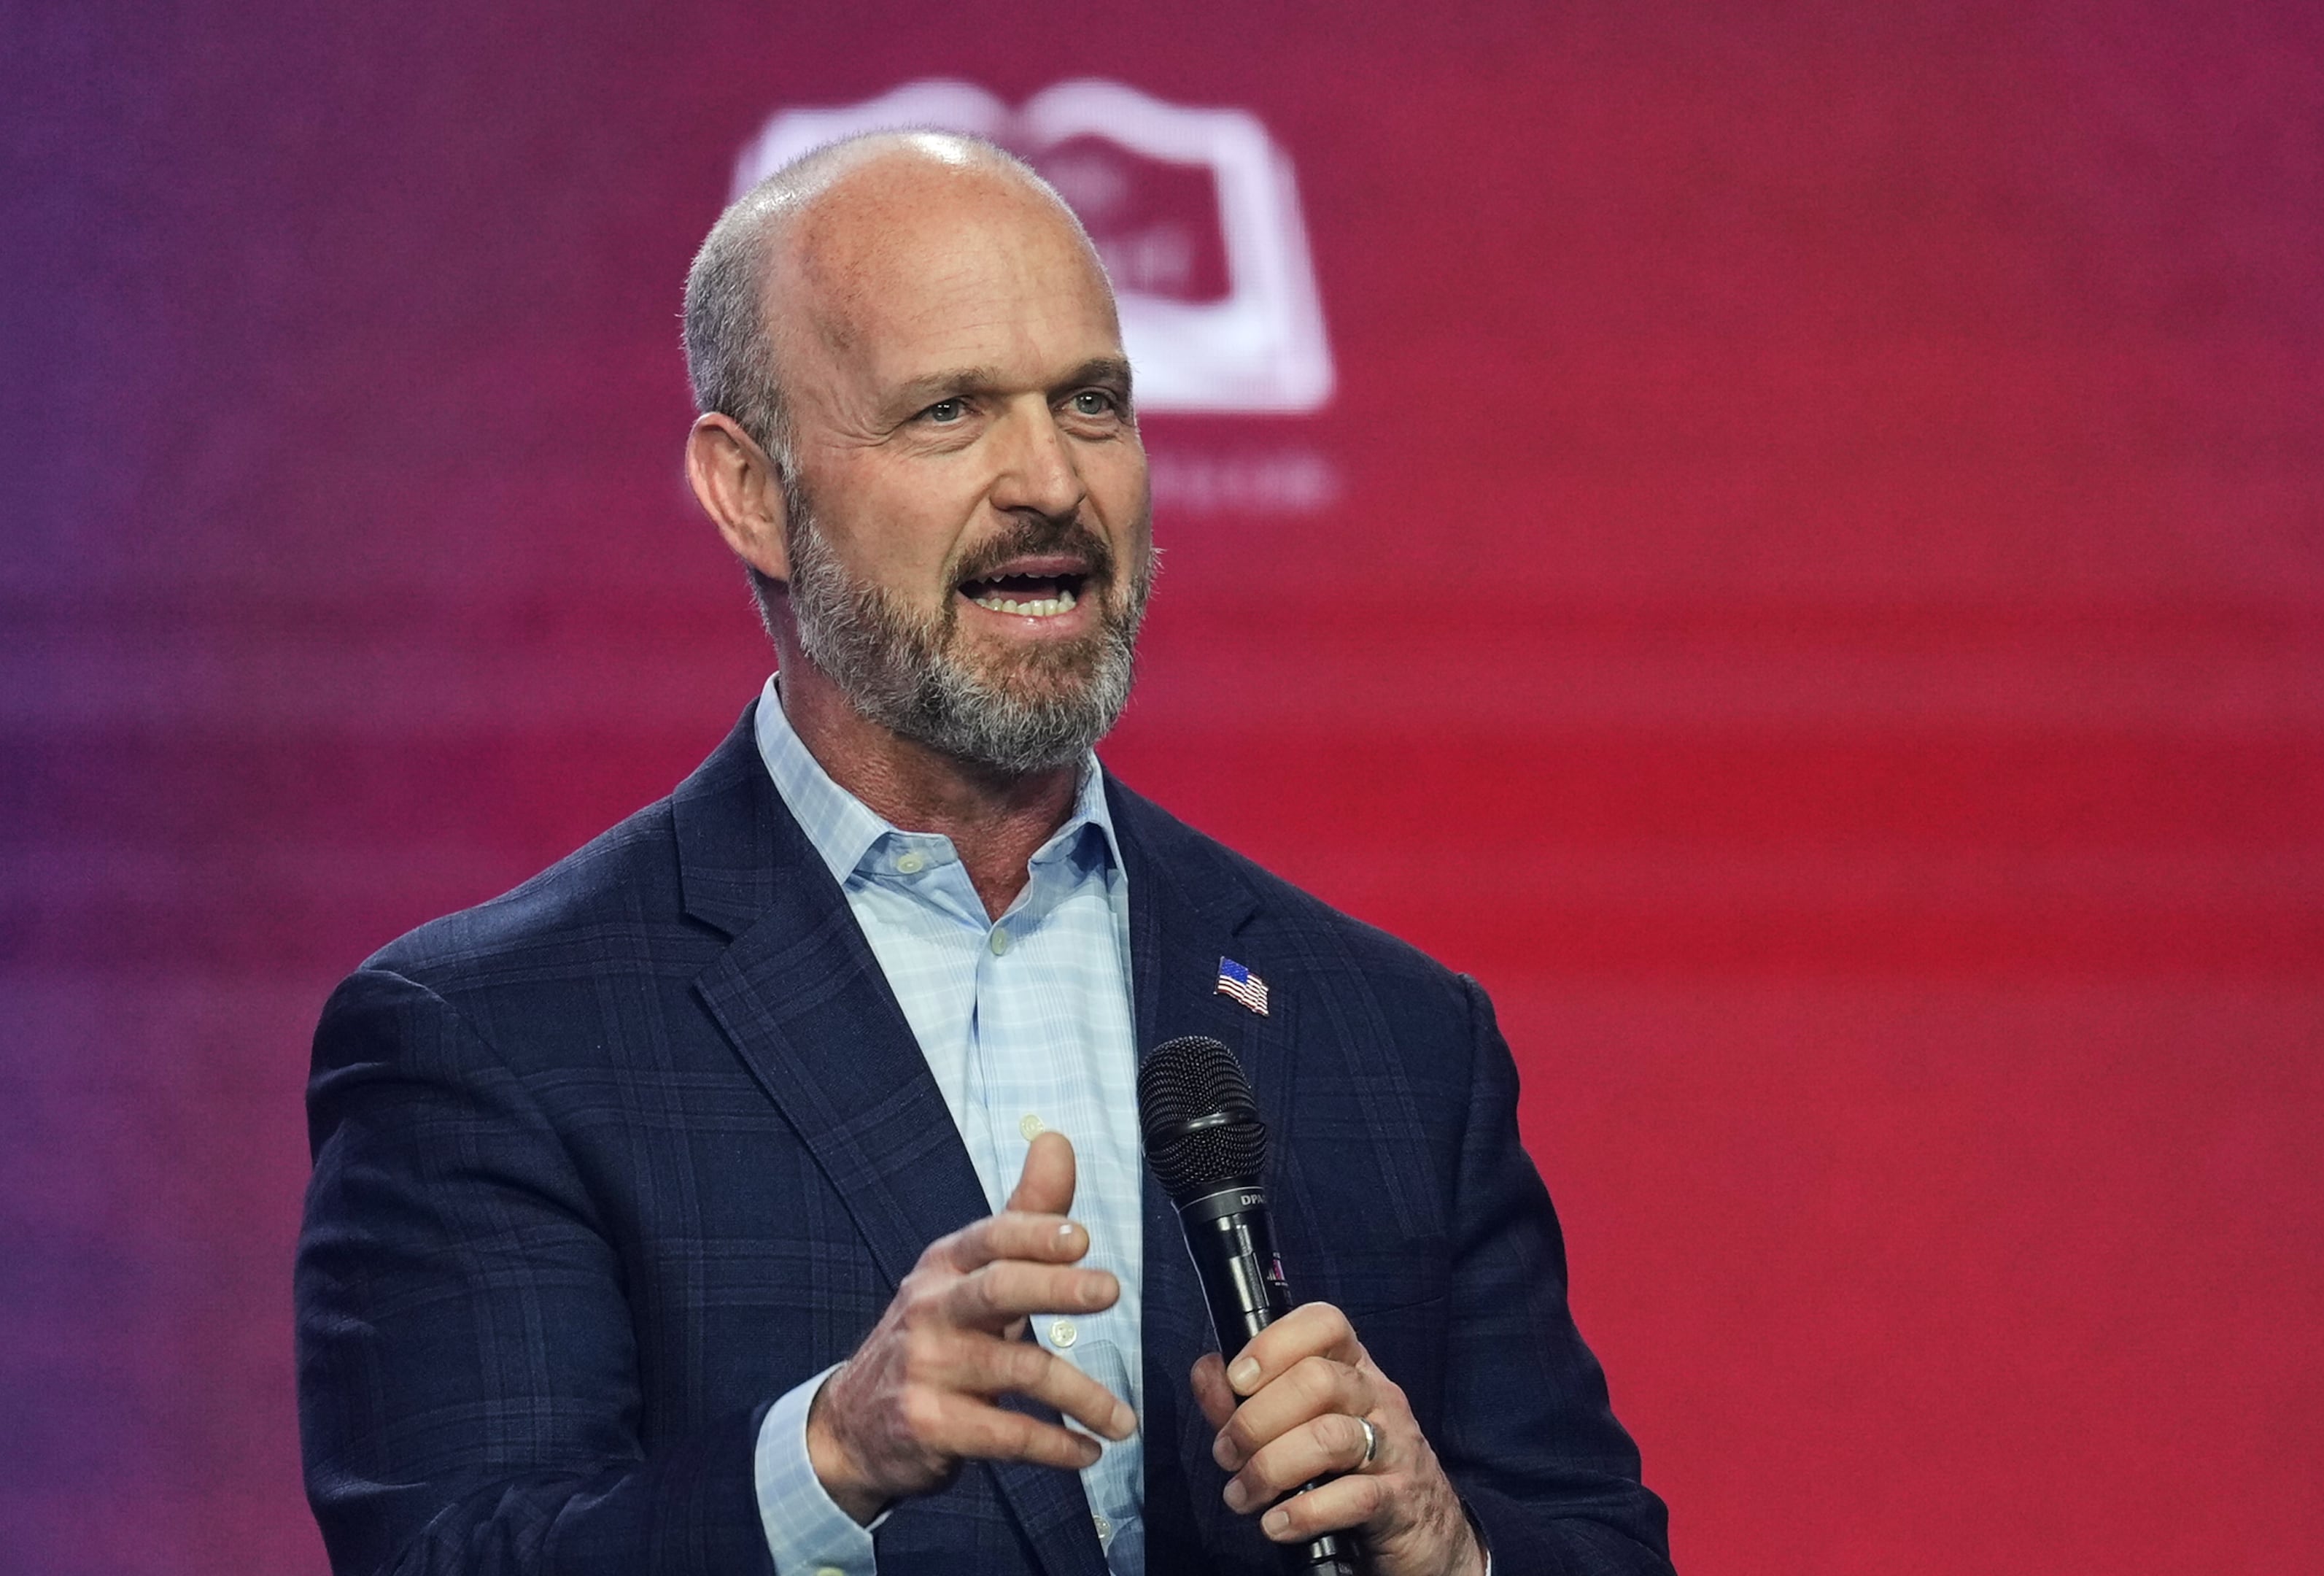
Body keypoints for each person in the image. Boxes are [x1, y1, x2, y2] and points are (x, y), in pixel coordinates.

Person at [295, 131, 1671, 1576]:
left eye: (1093, 404)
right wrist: (826, 1460)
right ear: (751, 491)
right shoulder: (496, 1037)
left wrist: (1447, 1545)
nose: (1051, 481)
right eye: (948, 412)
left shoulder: (1396, 1033)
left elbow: (1597, 1545)